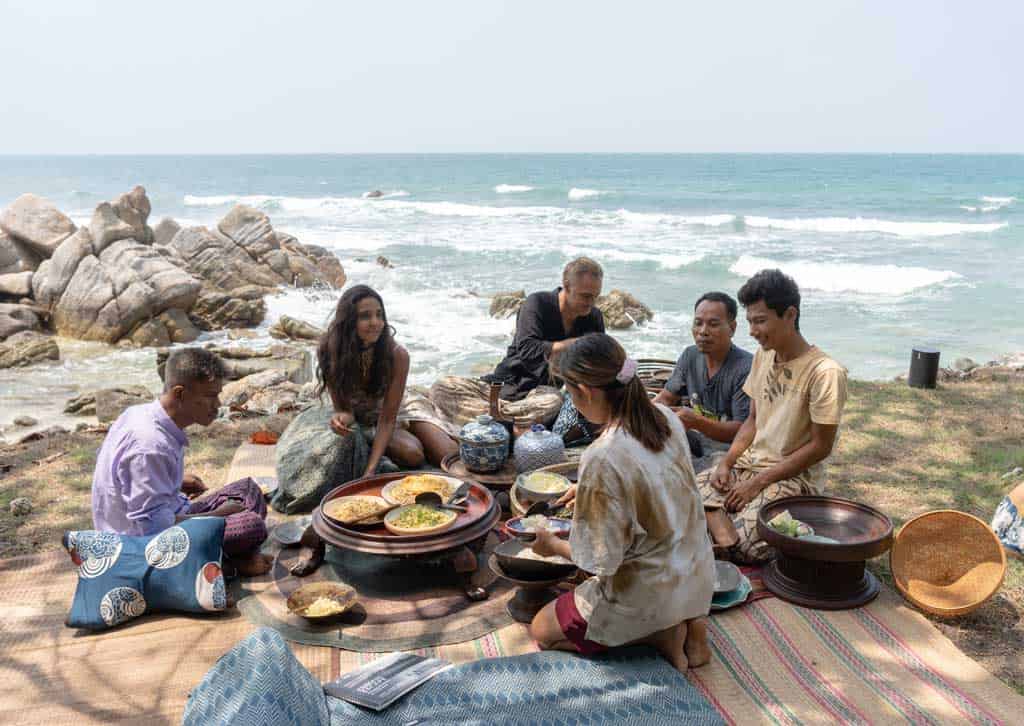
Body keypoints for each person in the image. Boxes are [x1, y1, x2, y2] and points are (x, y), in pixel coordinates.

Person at [529, 333, 714, 672]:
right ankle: (692, 625)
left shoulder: (603, 455)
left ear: (585, 392)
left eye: (570, 393)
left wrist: (552, 544)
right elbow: (656, 484)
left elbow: (600, 561)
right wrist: (588, 490)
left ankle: (659, 636)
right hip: (696, 574)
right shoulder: (664, 417)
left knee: (541, 629)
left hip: (650, 591)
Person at [696, 269, 848, 563]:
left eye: (760, 320)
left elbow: (820, 446)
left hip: (791, 479)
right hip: (747, 466)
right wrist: (727, 463)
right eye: (751, 321)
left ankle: (719, 523)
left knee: (749, 545)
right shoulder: (763, 356)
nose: (752, 330)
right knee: (677, 502)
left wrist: (757, 483)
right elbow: (752, 421)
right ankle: (718, 522)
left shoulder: (825, 373)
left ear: (790, 315)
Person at [91, 347, 272, 576]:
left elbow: (119, 472)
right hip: (142, 548)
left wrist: (174, 483)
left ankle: (228, 557)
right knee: (250, 526)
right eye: (209, 396)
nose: (217, 404)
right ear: (180, 394)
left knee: (249, 490)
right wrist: (219, 514)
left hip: (170, 513)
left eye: (217, 395)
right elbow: (155, 530)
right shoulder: (150, 445)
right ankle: (225, 566)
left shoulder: (140, 413)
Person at [426, 257, 605, 438]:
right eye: (585, 296)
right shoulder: (537, 303)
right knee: (441, 388)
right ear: (566, 286)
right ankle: (510, 424)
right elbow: (528, 350)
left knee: (553, 402)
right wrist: (573, 344)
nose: (591, 303)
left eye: (595, 297)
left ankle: (494, 423)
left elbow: (596, 363)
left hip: (542, 395)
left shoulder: (594, 317)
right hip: (505, 385)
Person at [317, 284, 457, 473]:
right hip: (367, 418)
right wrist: (341, 418)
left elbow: (388, 418)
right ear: (349, 320)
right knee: (412, 454)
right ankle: (400, 441)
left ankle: (420, 429)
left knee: (450, 455)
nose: (376, 322)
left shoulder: (397, 354)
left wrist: (370, 469)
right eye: (365, 316)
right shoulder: (330, 349)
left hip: (400, 409)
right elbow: (343, 409)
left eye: (379, 314)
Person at [654, 292, 752, 469]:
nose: (703, 331)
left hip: (728, 450)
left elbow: (742, 429)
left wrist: (697, 421)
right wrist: (640, 412)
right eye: (698, 323)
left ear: (732, 328)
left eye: (713, 324)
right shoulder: (690, 355)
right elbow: (666, 398)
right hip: (694, 437)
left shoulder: (745, 368)